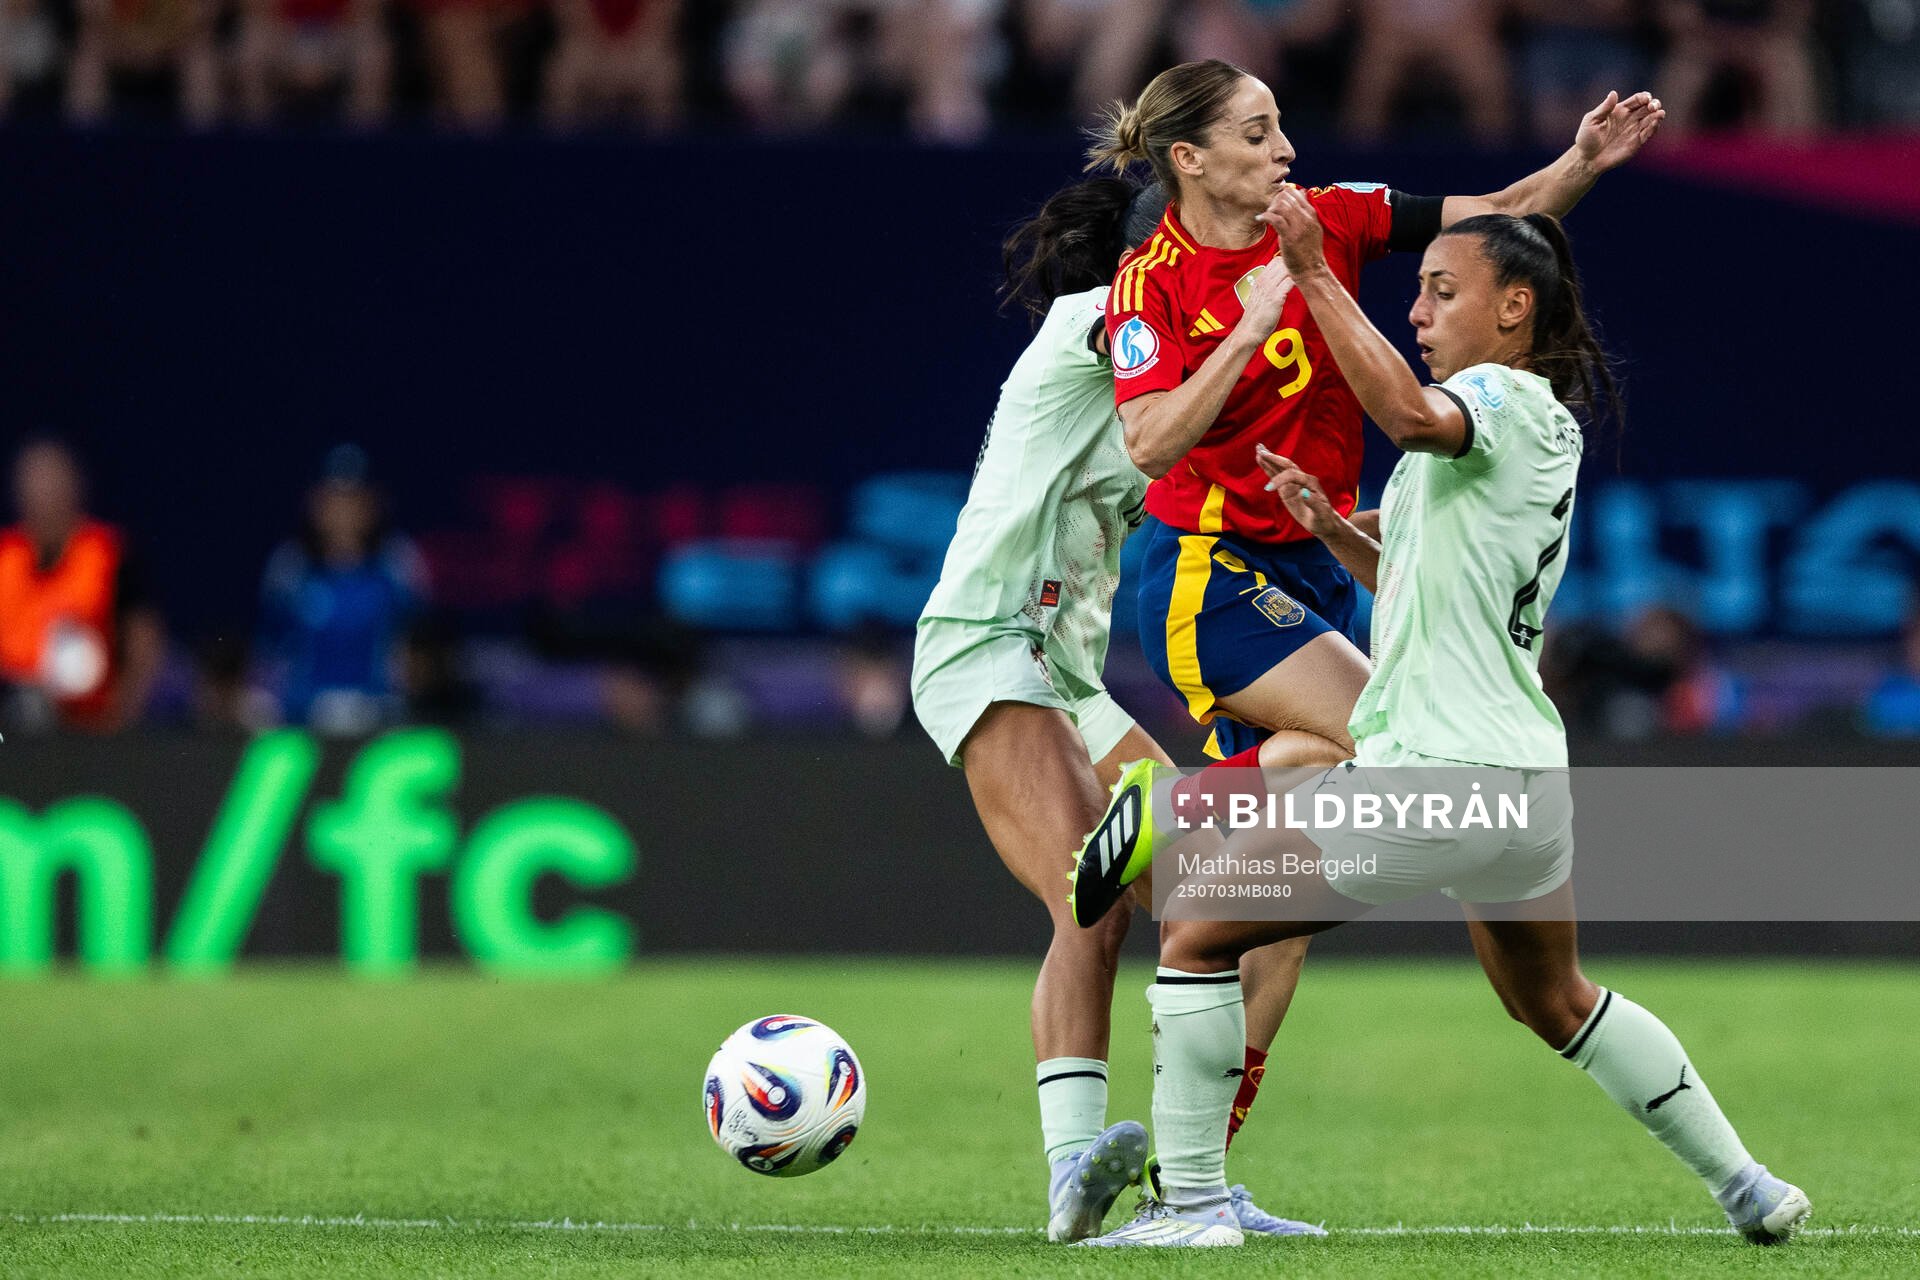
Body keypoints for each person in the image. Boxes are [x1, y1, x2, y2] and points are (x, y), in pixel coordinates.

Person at [1071, 192, 1810, 1247]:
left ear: (1515, 308)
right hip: (1519, 781)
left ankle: (1190, 1206)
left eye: (1440, 291)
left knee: (1194, 932)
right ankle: (1749, 1185)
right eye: (1416, 291)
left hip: (1436, 776)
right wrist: (1330, 528)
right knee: (1557, 1001)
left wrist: (1316, 274)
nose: (1418, 311)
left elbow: (1412, 414)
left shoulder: (1500, 400)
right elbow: (1415, 576)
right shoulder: (1495, 439)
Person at [911, 175, 1322, 1243]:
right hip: (987, 648)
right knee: (1090, 898)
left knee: (1255, 903)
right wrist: (1269, 293)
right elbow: (1173, 400)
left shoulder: (1176, 359)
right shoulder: (1094, 321)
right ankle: (1070, 1180)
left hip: (1070, 676)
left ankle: (1196, 1183)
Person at [1076, 60, 1658, 801]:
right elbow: (1149, 444)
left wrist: (1582, 162)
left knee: (1281, 869)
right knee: (1389, 736)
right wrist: (1249, 329)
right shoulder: (1150, 282)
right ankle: (1167, 803)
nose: (1285, 149)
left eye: (1282, 127)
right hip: (1210, 571)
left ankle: (1189, 872)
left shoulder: (1331, 215)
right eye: (1258, 135)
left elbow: (1500, 217)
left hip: (1317, 563)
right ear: (1189, 159)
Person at [258, 445, 427, 734]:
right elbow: (270, 649)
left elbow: (417, 646)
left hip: (380, 712)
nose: (343, 512)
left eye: (352, 500)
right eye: (334, 499)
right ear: (316, 504)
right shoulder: (289, 566)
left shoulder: (398, 564)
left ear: (371, 505)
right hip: (303, 715)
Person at [0, 439, 164, 734]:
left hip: (91, 727)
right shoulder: (5, 556)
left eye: (53, 484)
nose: (44, 496)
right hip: (13, 726)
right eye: (35, 485)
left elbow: (144, 641)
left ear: (74, 488)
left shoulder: (107, 553)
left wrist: (121, 719)